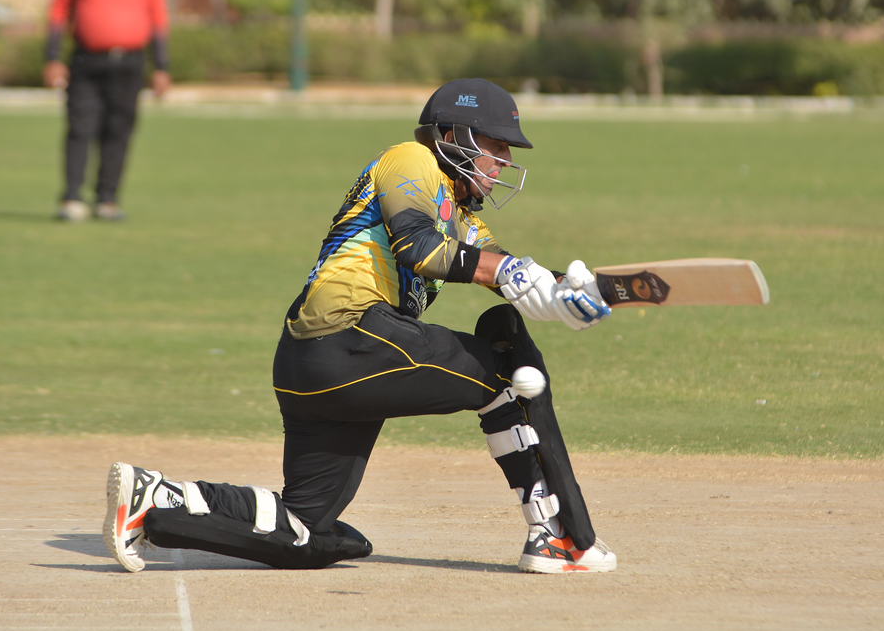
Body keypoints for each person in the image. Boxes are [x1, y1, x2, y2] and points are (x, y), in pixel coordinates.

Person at [102, 78, 618, 573]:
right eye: (496, 145)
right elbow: (420, 247)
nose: (503, 159)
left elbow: (501, 267)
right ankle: (558, 535)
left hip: (314, 366)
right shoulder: (412, 159)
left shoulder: (462, 216)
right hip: (349, 334)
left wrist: (566, 290)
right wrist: (510, 272)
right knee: (507, 368)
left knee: (304, 527)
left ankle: (160, 498)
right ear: (451, 136)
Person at [44, 0, 170, 222]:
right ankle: (72, 197)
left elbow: (158, 18)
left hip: (129, 63)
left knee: (119, 130)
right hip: (87, 60)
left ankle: (107, 199)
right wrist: (52, 58)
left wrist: (161, 66)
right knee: (80, 127)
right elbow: (58, 11)